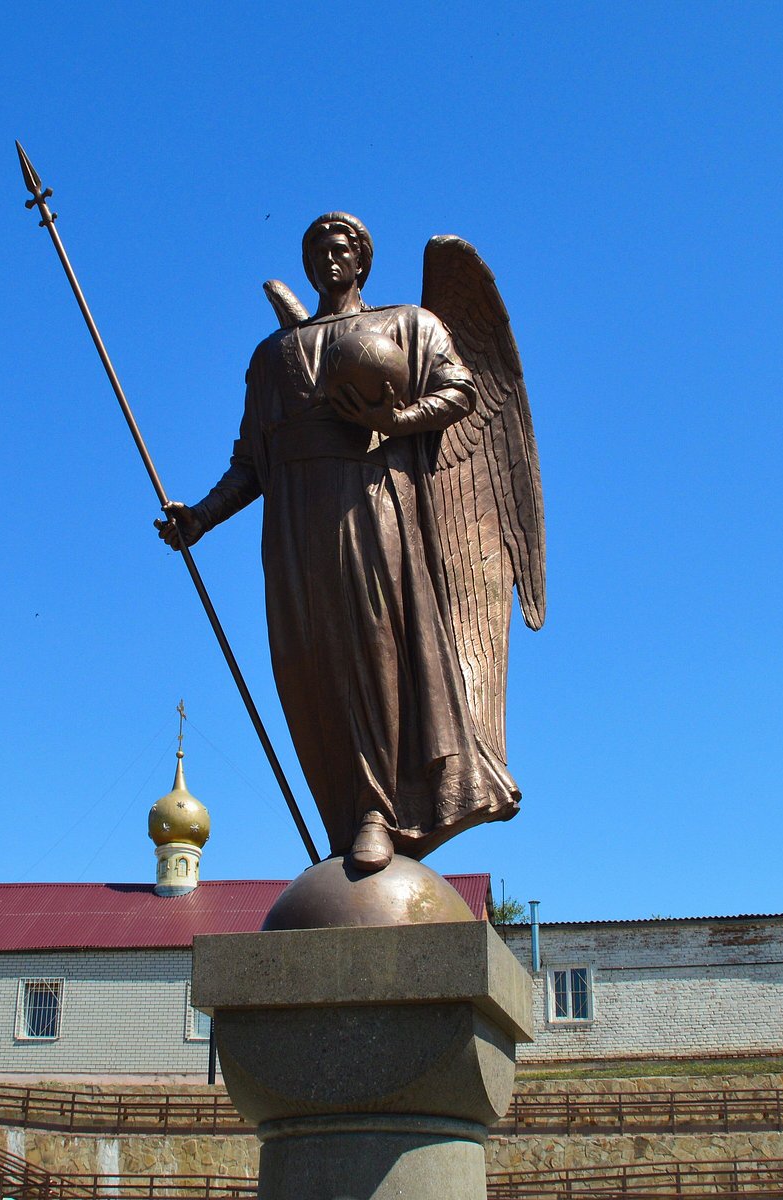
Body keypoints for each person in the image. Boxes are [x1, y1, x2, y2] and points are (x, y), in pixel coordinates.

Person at [157, 213, 521, 871]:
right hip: (294, 524)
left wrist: (396, 419)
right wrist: (202, 519)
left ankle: (379, 810)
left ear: (363, 261)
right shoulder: (272, 357)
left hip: (370, 503)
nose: (330, 257)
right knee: (309, 669)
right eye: (318, 248)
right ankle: (345, 815)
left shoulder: (406, 324)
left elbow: (461, 389)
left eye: (342, 247)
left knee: (369, 650)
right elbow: (251, 461)